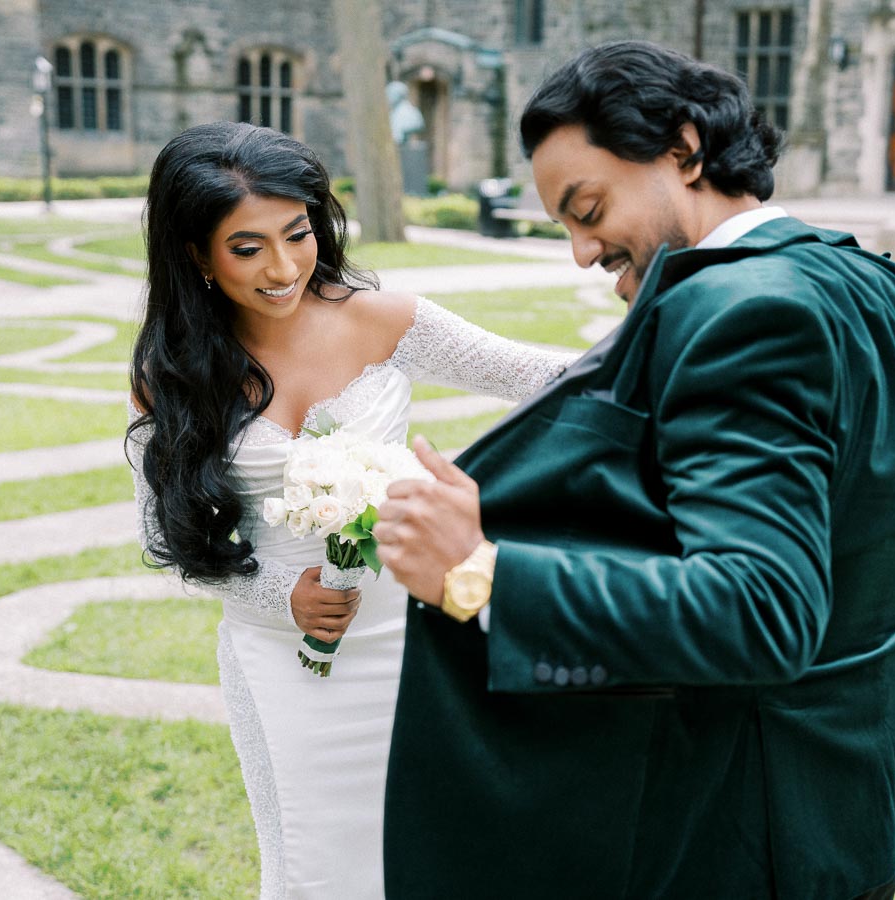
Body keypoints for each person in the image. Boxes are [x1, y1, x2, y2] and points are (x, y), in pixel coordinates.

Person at [376, 40, 895, 899]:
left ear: (684, 150)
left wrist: (479, 573)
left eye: (588, 208)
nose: (582, 252)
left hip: (743, 827)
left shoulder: (734, 310)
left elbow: (761, 612)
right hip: (868, 797)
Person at [125, 121, 574, 899]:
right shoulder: (172, 375)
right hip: (281, 657)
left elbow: (551, 380)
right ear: (195, 254)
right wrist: (280, 598)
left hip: (415, 639)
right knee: (313, 866)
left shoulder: (385, 318)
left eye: (297, 233)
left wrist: (689, 335)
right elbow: (168, 537)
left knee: (439, 854)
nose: (282, 266)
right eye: (247, 247)